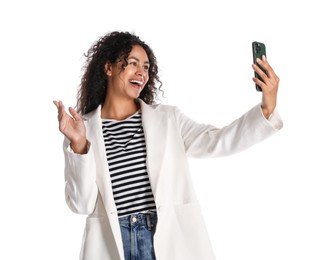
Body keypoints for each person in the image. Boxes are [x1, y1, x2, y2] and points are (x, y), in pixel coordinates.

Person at [53, 31, 283, 260]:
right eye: (132, 64)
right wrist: (79, 144)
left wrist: (266, 108)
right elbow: (82, 204)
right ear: (109, 68)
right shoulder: (82, 129)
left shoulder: (167, 119)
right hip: (114, 245)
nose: (141, 73)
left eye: (146, 67)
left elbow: (217, 141)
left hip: (166, 239)